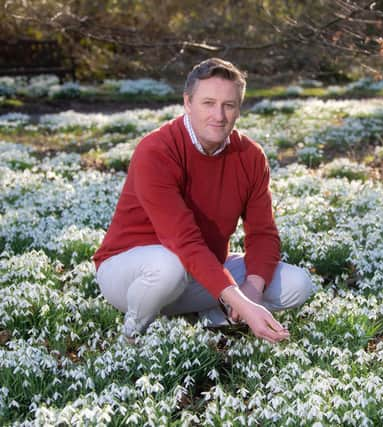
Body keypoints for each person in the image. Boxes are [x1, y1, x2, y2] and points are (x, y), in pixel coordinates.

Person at [93, 58, 313, 344]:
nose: (219, 115)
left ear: (239, 108)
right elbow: (183, 240)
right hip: (131, 272)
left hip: (200, 269)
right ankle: (133, 335)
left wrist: (253, 291)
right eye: (208, 103)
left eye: (229, 105)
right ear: (188, 102)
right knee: (168, 266)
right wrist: (244, 305)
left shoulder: (250, 156)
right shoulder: (157, 150)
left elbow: (263, 233)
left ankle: (212, 317)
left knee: (298, 284)